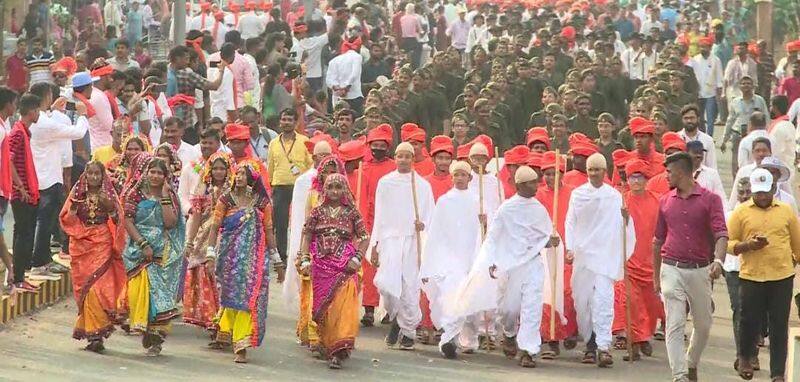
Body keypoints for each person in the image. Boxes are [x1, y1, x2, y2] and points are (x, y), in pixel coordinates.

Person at [454, 165, 558, 367]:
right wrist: (490, 260)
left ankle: (528, 349)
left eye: (536, 181)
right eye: (531, 182)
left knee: (531, 308)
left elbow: (545, 237)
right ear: (519, 185)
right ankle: (509, 334)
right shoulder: (506, 208)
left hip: (533, 264)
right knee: (508, 309)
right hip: (509, 265)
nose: (536, 185)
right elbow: (493, 238)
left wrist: (553, 241)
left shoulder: (539, 208)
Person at [654, 152, 728, 382]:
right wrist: (656, 278)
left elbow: (721, 234)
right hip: (671, 267)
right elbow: (657, 241)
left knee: (703, 324)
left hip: (700, 269)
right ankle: (680, 375)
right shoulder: (665, 201)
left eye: (669, 172)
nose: (666, 176)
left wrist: (718, 261)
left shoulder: (710, 199)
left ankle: (691, 361)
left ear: (682, 172)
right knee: (674, 323)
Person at [726, 168, 800, 382]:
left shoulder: (786, 211)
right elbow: (729, 244)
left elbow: (797, 243)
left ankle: (777, 372)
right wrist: (747, 245)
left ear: (773, 189)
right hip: (752, 276)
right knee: (749, 321)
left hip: (781, 277)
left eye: (765, 192)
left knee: (778, 325)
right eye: (757, 193)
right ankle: (745, 359)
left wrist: (791, 262)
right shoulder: (741, 212)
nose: (761, 197)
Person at [206, 159, 281, 363]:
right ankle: (225, 328)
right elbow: (215, 227)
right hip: (228, 258)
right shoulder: (225, 200)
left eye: (243, 174)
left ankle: (241, 343)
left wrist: (277, 259)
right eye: (237, 173)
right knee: (231, 296)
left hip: (254, 261)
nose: (239, 177)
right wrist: (210, 253)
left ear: (253, 178)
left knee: (248, 299)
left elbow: (268, 230)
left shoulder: (262, 203)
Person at [566, 153, 635, 367]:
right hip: (583, 256)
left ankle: (604, 347)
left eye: (598, 170)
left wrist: (626, 218)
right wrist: (569, 248)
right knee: (582, 301)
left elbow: (624, 228)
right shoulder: (578, 195)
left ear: (605, 172)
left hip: (604, 256)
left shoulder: (614, 196)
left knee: (603, 301)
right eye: (590, 170)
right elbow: (570, 222)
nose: (594, 173)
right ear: (587, 172)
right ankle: (590, 342)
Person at [297, 172, 369, 369]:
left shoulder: (352, 212)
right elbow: (307, 234)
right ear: (325, 189)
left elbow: (364, 237)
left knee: (343, 307)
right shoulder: (317, 212)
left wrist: (357, 258)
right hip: (320, 266)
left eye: (338, 187)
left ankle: (340, 349)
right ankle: (328, 344)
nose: (334, 192)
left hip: (345, 266)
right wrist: (304, 258)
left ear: (345, 189)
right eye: (330, 187)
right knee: (323, 310)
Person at [370, 142, 435, 350]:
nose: (404, 160)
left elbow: (430, 216)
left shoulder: (421, 185)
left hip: (412, 240)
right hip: (389, 239)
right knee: (386, 285)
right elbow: (379, 215)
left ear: (413, 159)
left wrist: (421, 225)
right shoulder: (385, 183)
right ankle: (396, 317)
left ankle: (407, 331)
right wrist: (375, 244)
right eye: (400, 156)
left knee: (409, 286)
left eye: (408, 156)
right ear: (395, 157)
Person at [120, 153, 185, 356]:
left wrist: (165, 196)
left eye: (160, 172)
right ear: (145, 173)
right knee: (140, 291)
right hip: (138, 249)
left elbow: (170, 223)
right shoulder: (135, 194)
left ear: (165, 176)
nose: (155, 176)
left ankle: (155, 336)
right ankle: (145, 328)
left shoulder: (170, 195)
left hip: (162, 251)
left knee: (159, 295)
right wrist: (142, 243)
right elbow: (127, 221)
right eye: (152, 171)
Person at [60, 161, 127, 352]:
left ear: (103, 175)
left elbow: (118, 219)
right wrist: (73, 212)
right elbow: (65, 218)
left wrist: (111, 208)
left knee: (97, 286)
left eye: (98, 173)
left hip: (102, 240)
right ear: (86, 175)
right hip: (80, 244)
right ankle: (92, 334)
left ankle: (97, 333)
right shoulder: (77, 194)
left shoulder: (108, 194)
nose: (95, 177)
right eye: (91, 173)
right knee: (85, 288)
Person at [420, 160, 480, 359]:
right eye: (457, 175)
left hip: (469, 255)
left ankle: (451, 339)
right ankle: (450, 338)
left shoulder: (477, 200)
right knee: (448, 295)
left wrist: (484, 222)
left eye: (464, 175)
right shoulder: (444, 201)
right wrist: (432, 257)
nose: (460, 178)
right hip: (448, 257)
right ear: (452, 177)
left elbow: (481, 231)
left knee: (465, 296)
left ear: (469, 178)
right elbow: (436, 231)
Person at [611, 159, 662, 361]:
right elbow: (613, 229)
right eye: (633, 177)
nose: (636, 181)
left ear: (646, 179)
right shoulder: (622, 201)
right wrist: (621, 219)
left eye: (640, 177)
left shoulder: (658, 201)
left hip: (651, 261)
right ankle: (634, 342)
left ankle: (643, 336)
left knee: (651, 305)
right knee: (630, 301)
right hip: (629, 261)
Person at [182, 152, 233, 333]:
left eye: (222, 168)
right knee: (204, 274)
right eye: (215, 168)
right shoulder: (203, 188)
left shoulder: (234, 189)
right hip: (205, 236)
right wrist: (190, 241)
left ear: (228, 170)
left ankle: (223, 320)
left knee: (222, 276)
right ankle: (212, 318)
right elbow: (196, 217)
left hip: (227, 235)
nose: (219, 172)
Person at [359, 124, 396, 326]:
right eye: (375, 145)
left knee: (390, 266)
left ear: (388, 147)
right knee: (369, 267)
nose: (378, 148)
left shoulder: (393, 168)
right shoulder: (363, 167)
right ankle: (369, 309)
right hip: (368, 222)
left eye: (382, 145)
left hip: (389, 223)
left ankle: (390, 309)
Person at [267, 108, 312, 264]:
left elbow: (310, 164)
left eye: (289, 120)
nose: (286, 122)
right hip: (279, 186)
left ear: (295, 122)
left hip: (299, 187)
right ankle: (282, 257)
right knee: (280, 223)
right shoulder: (273, 143)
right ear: (280, 122)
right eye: (284, 119)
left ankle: (301, 253)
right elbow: (271, 166)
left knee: (300, 221)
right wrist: (270, 185)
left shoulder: (305, 141)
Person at [9, 94, 43, 292]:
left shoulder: (23, 132)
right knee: (24, 234)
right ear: (31, 111)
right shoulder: (18, 133)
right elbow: (8, 160)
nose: (38, 114)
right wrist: (20, 186)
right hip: (21, 193)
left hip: (24, 191)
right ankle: (19, 278)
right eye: (37, 110)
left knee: (21, 233)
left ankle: (17, 276)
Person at [689, 36, 723, 136]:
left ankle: (710, 137)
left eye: (705, 47)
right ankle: (701, 136)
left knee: (710, 118)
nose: (703, 49)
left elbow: (719, 76)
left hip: (710, 93)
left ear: (710, 47)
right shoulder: (695, 60)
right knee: (699, 117)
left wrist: (720, 91)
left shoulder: (715, 60)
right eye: (701, 47)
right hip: (698, 92)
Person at [326, 37, 364, 116]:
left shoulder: (334, 61)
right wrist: (345, 88)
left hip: (337, 98)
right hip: (354, 97)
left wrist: (337, 88)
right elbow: (354, 74)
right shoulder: (357, 57)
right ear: (358, 46)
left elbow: (329, 80)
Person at [677, 105, 717, 170]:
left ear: (698, 119)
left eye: (692, 118)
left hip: (702, 177)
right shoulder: (676, 138)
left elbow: (712, 166)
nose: (689, 121)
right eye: (686, 118)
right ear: (682, 119)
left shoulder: (708, 140)